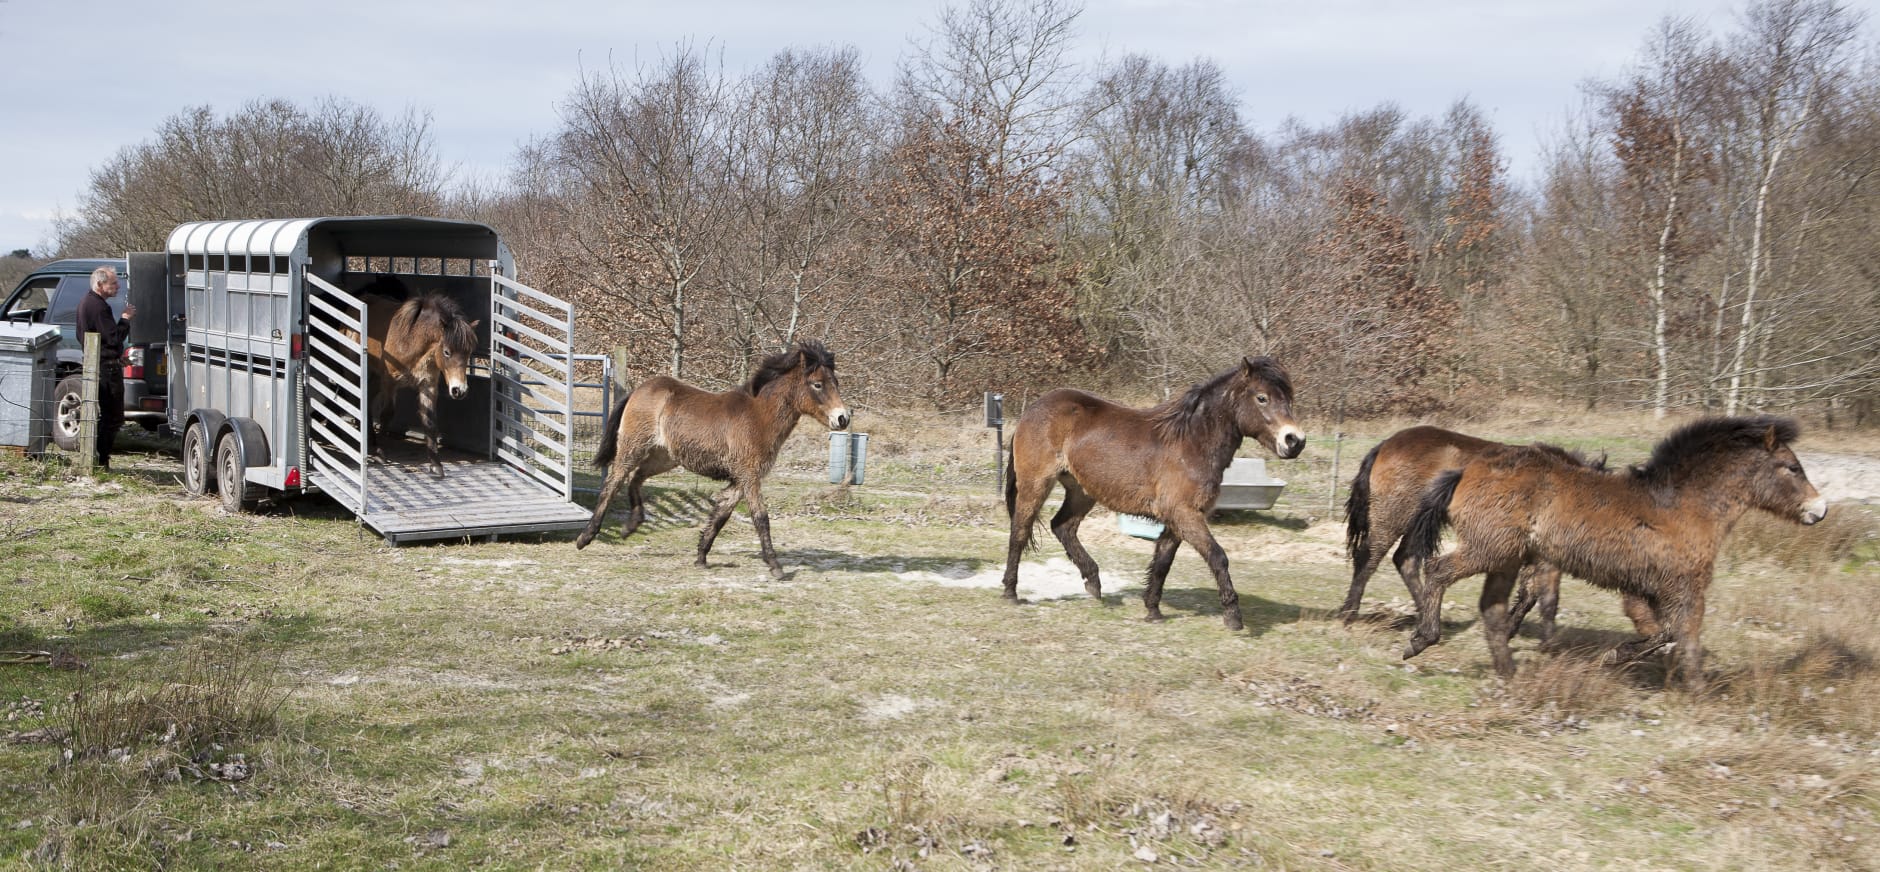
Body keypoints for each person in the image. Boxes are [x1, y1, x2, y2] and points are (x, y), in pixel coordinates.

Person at [74, 265, 135, 470]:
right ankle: (100, 461)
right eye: (113, 283)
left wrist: (118, 357)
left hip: (100, 363)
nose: (117, 287)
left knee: (102, 415)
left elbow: (98, 341)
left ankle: (96, 458)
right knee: (113, 417)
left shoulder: (86, 302)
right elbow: (113, 337)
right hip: (105, 369)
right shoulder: (98, 307)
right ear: (100, 285)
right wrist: (125, 320)